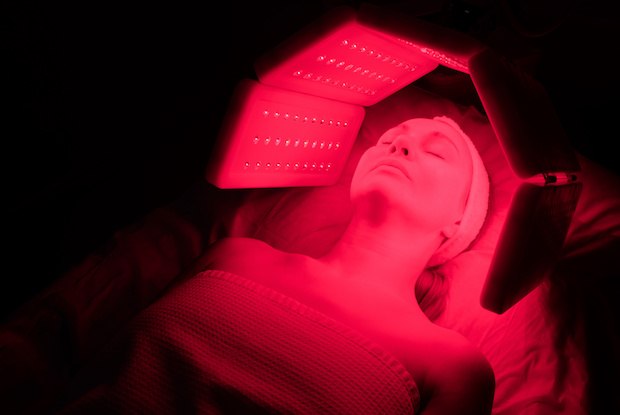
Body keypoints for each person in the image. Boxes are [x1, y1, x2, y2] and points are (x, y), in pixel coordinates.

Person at [198, 116, 495, 414]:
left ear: (460, 219)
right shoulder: (234, 256)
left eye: (436, 152)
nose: (399, 145)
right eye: (386, 141)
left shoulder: (451, 367)